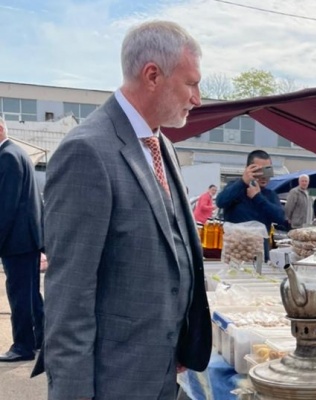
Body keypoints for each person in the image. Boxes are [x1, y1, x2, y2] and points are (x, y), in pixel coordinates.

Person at [34, 21, 212, 399]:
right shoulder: (87, 151)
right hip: (115, 380)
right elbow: (70, 295)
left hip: (160, 370)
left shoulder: (161, 145)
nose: (198, 99)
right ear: (152, 75)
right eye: (191, 83)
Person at [0, 117, 44, 362]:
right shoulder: (17, 153)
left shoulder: (7, 156)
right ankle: (40, 338)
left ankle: (22, 346)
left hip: (17, 241)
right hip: (27, 239)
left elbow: (6, 206)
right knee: (30, 294)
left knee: (20, 295)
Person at [216, 149, 285, 259]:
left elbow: (281, 218)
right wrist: (243, 182)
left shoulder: (269, 195)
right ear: (248, 169)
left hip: (259, 254)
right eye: (258, 170)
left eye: (267, 170)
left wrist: (257, 197)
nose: (263, 175)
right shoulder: (236, 188)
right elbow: (221, 202)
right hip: (234, 252)